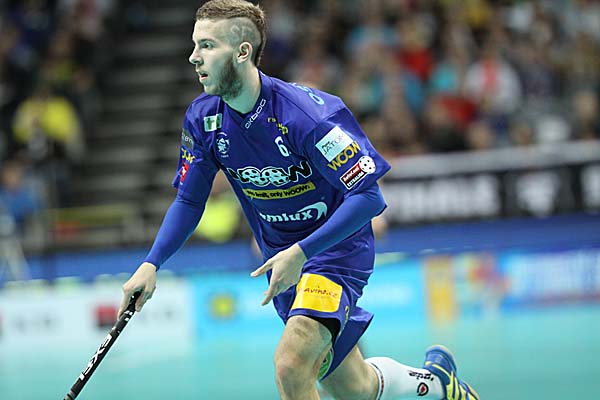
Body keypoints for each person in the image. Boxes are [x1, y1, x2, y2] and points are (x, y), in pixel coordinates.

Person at [118, 1, 479, 399]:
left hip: (334, 251)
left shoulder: (306, 115)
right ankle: (437, 383)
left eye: (207, 45)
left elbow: (367, 196)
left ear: (242, 52)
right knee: (353, 387)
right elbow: (189, 201)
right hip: (283, 261)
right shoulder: (204, 119)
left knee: (291, 366)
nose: (193, 56)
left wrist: (302, 252)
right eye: (194, 44)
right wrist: (151, 264)